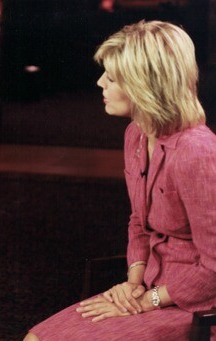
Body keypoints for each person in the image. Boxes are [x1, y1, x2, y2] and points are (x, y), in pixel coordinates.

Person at [25, 20, 216, 340]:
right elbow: (139, 223)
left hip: (197, 306)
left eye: (112, 78)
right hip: (151, 288)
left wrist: (146, 302)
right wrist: (133, 282)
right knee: (36, 338)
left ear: (146, 86)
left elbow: (215, 268)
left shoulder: (199, 153)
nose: (100, 83)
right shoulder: (137, 135)